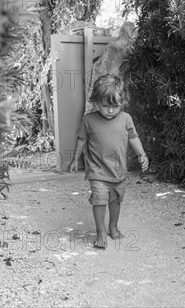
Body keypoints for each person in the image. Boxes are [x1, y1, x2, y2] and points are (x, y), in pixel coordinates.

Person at [68, 74, 149, 249]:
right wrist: (75, 159)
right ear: (96, 102)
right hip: (97, 171)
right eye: (105, 106)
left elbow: (133, 138)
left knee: (115, 201)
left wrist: (142, 154)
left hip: (119, 171)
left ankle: (113, 226)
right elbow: (81, 140)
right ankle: (101, 231)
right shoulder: (88, 120)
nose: (111, 110)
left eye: (115, 106)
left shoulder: (126, 118)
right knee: (99, 200)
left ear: (123, 102)